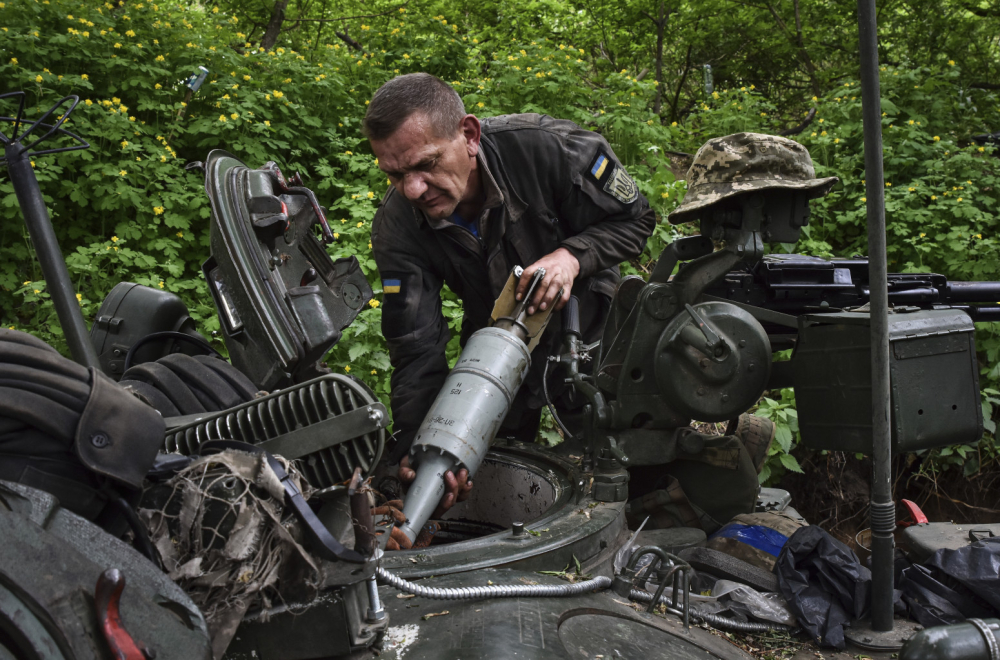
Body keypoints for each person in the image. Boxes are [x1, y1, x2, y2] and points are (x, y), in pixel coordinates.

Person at [363, 73, 657, 528]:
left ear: (469, 135)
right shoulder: (399, 225)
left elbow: (635, 220)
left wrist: (571, 257)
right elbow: (415, 348)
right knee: (488, 460)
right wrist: (417, 448)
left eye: (426, 164)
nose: (413, 189)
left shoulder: (549, 151)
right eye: (396, 175)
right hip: (494, 341)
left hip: (591, 327)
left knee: (626, 458)